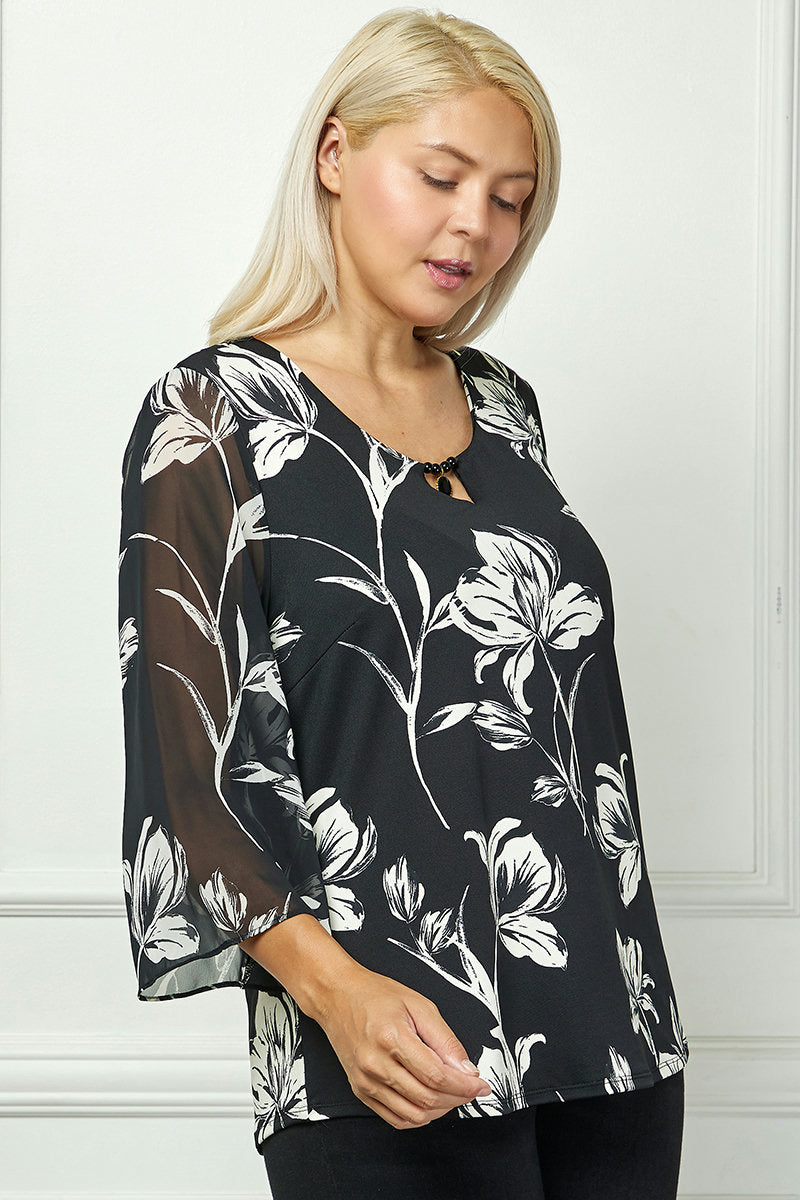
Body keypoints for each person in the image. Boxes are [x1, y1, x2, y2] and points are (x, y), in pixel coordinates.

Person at [118, 8, 689, 1198]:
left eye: (510, 199)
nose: (475, 223)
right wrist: (337, 997)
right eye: (440, 177)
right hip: (383, 1054)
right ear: (334, 153)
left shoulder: (506, 409)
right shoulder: (213, 416)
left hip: (612, 1033)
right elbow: (194, 772)